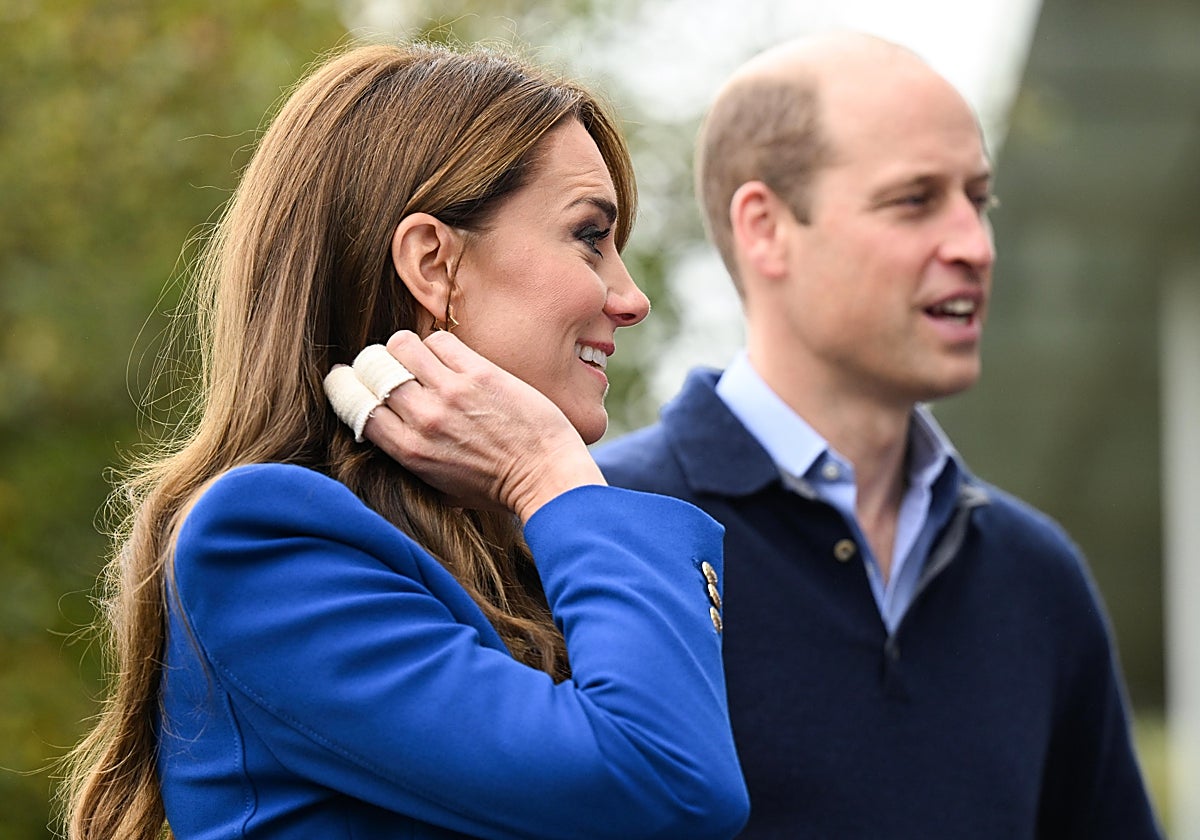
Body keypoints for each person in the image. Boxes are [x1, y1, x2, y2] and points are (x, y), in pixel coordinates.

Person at [60, 41, 750, 840]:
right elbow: (668, 785)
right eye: (590, 237)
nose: (630, 299)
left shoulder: (525, 549)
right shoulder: (267, 543)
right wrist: (552, 476)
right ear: (434, 264)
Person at [595, 31, 1163, 839]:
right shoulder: (598, 525)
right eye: (914, 200)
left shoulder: (1037, 579)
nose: (974, 244)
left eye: (979, 198)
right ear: (765, 228)